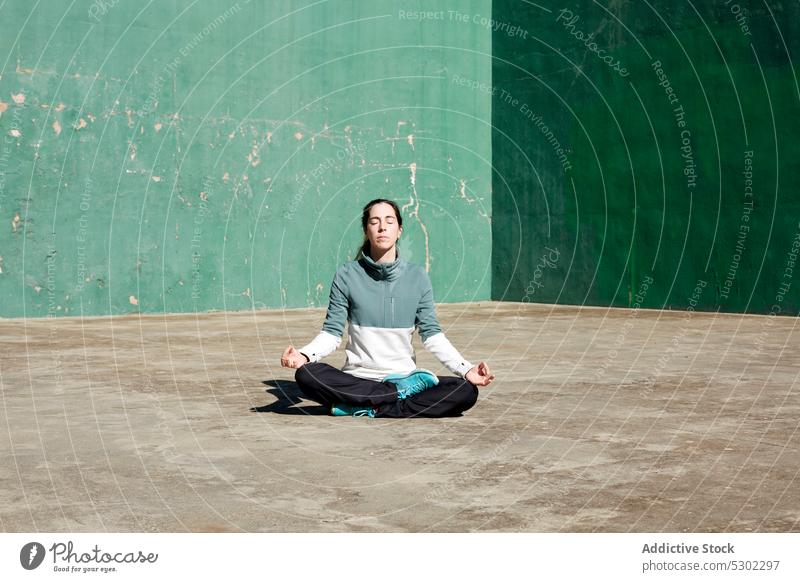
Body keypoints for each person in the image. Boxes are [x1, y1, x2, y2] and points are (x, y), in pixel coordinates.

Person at [281, 198, 494, 417]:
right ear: (366, 230)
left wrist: (467, 369)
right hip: (357, 379)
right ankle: (393, 399)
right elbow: (331, 334)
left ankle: (368, 406)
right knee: (307, 374)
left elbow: (432, 337)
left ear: (399, 230)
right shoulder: (346, 275)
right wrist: (304, 355)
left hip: (406, 377)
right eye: (375, 221)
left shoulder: (417, 277)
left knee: (466, 390)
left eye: (389, 221)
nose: (382, 227)